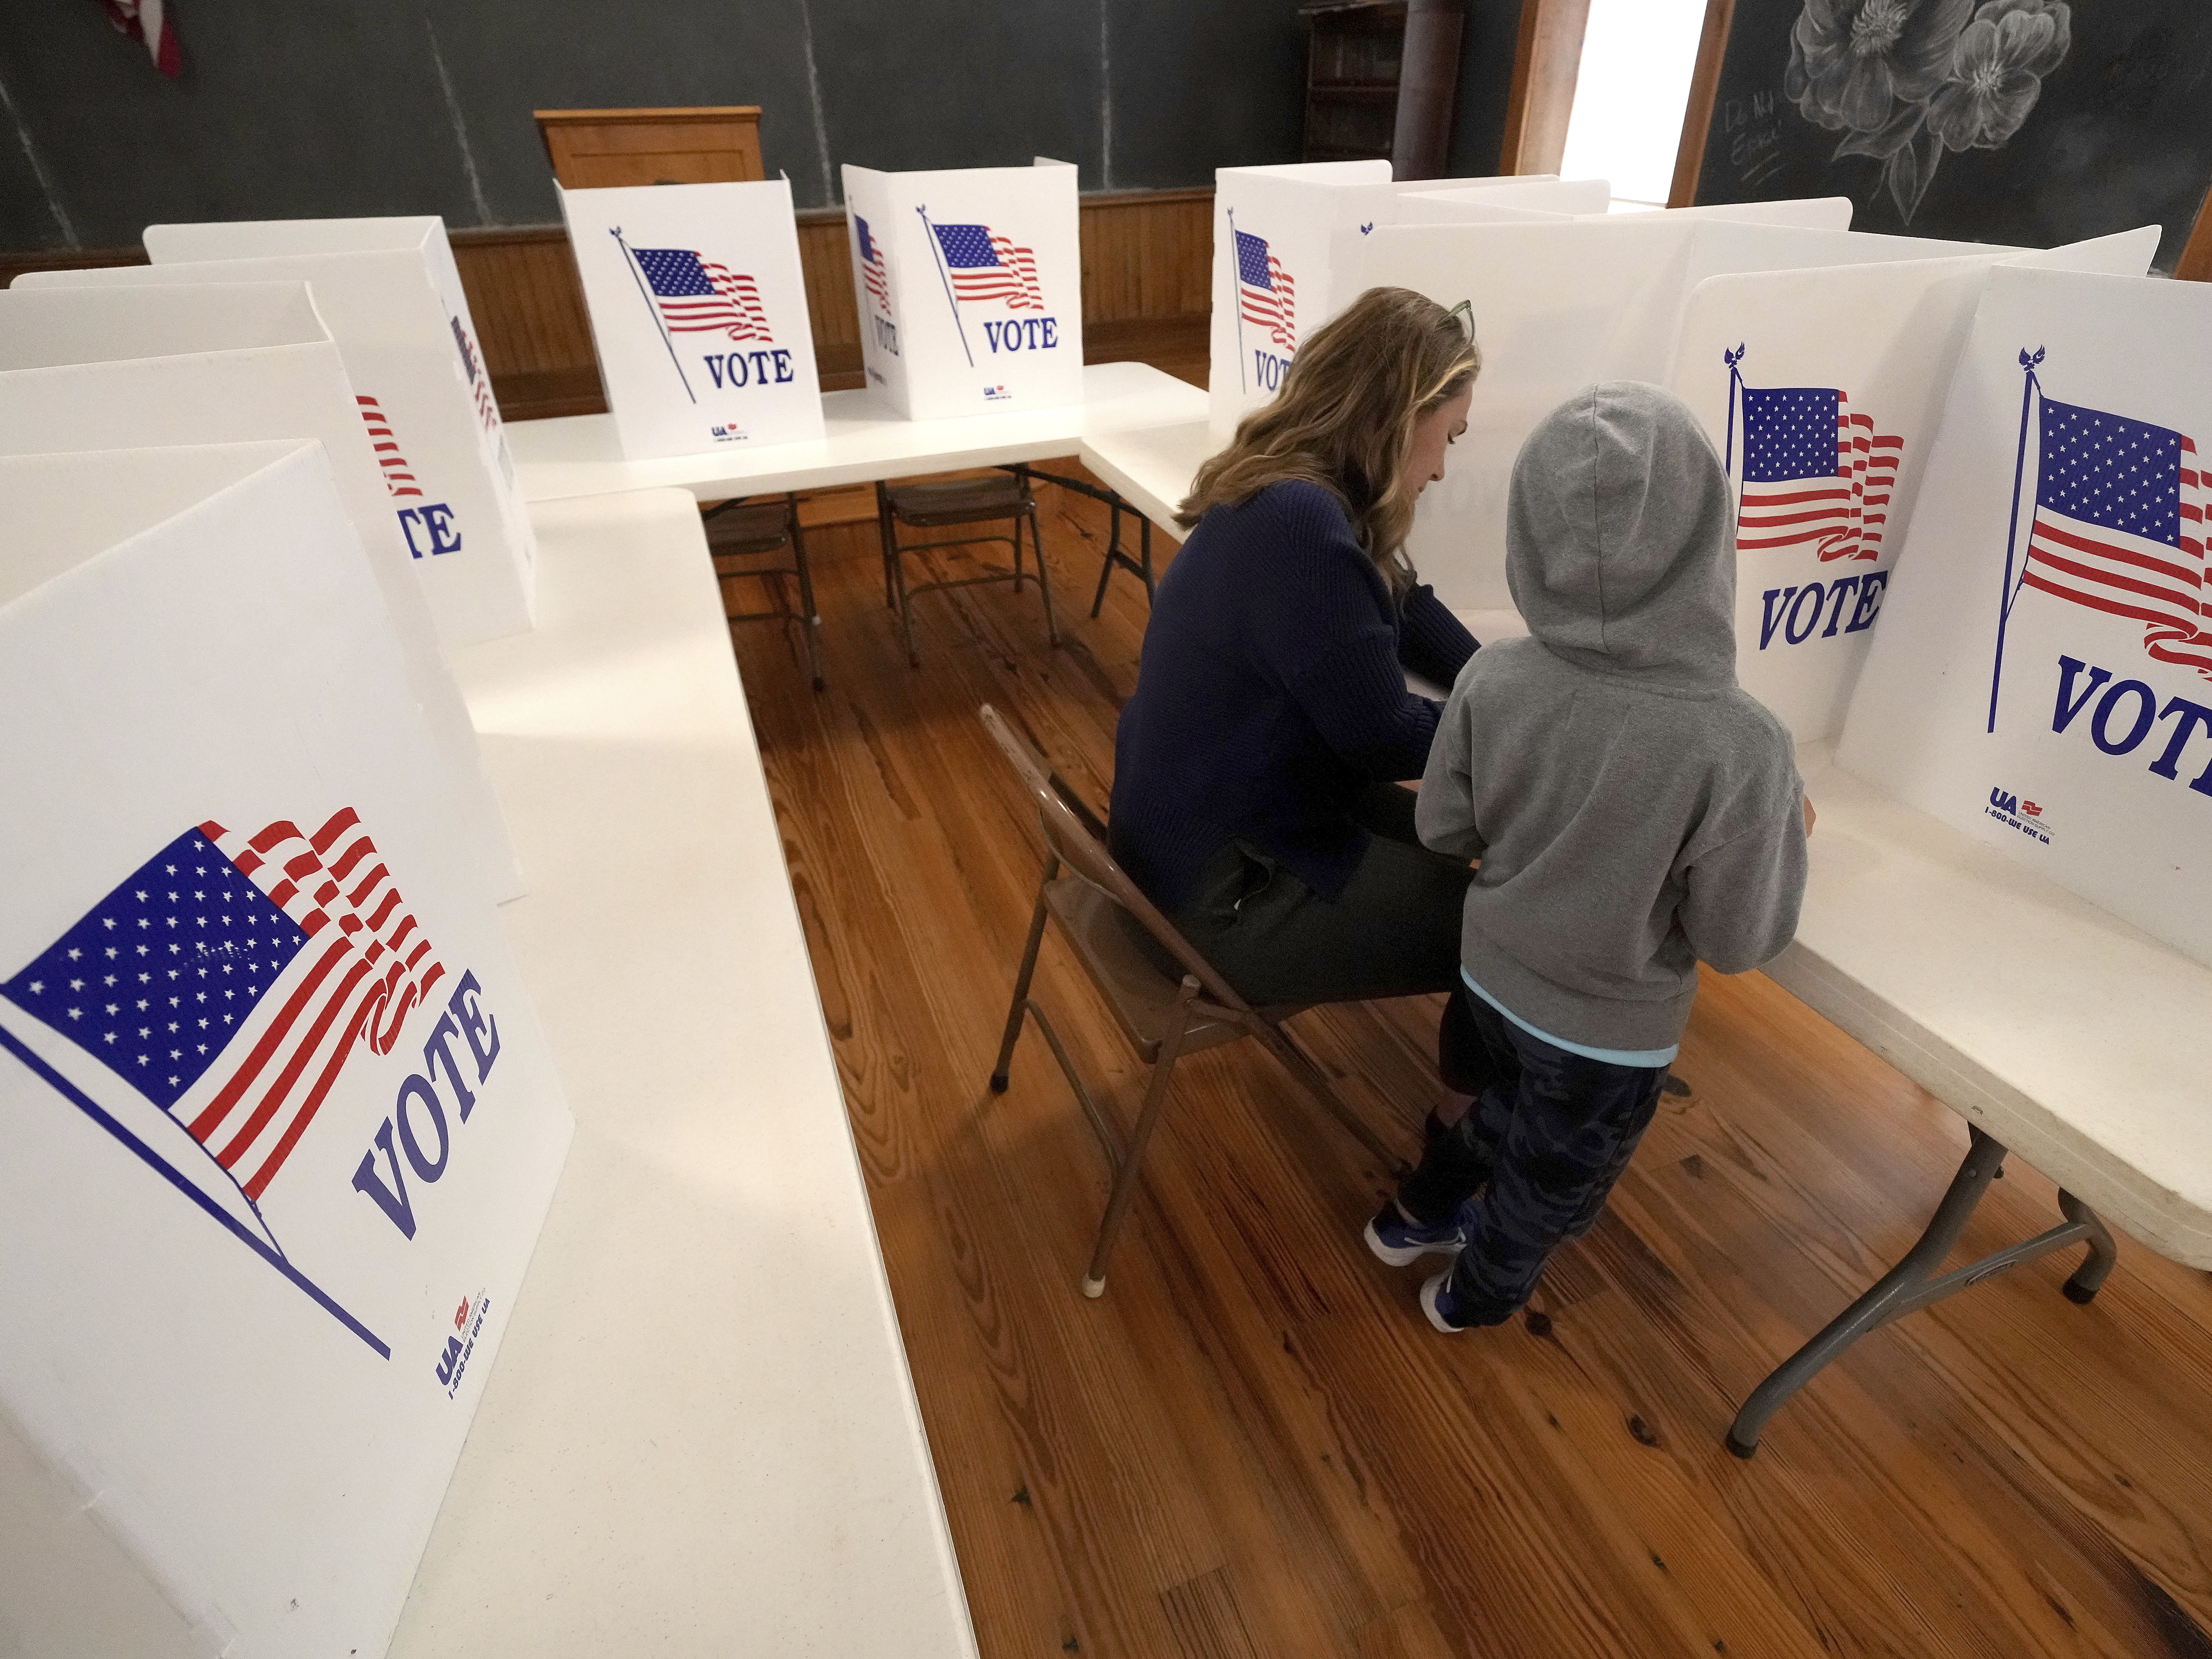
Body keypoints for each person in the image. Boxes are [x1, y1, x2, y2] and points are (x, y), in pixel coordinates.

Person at [1365, 381, 1812, 1332]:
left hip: (1488, 978)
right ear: (1708, 535)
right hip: (1607, 1031)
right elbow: (1736, 938)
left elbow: (1444, 829)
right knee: (1548, 1186)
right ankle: (1472, 1298)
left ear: (1529, 524)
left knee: (1493, 1112)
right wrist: (1780, 833)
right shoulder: (1743, 746)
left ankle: (1410, 1218)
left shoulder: (1491, 675)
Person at [1108, 288, 1482, 1032]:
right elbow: (1382, 736)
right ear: (1403, 418)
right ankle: (1466, 1125)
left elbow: (1403, 598)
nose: (1441, 468)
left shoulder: (1290, 491)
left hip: (1189, 832)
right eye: (1452, 436)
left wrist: (1501, 680)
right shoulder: (1303, 527)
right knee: (1521, 933)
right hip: (1223, 890)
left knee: (1480, 843)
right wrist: (1529, 720)